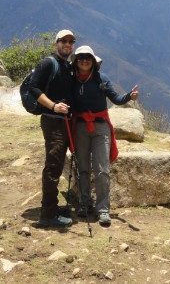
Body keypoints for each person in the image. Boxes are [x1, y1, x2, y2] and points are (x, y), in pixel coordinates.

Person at [69, 45, 139, 227]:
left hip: (100, 128)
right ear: (76, 61)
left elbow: (115, 98)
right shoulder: (71, 80)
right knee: (82, 167)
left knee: (102, 169)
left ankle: (103, 210)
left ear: (93, 61)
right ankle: (85, 204)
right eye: (81, 57)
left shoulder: (102, 79)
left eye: (88, 58)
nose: (84, 60)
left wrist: (129, 97)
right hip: (80, 127)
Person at [28, 29, 76, 228]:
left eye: (70, 42)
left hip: (64, 122)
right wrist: (54, 106)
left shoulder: (67, 65)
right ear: (56, 43)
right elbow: (33, 87)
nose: (67, 44)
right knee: (53, 165)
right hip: (52, 120)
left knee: (56, 163)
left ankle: (53, 208)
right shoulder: (49, 63)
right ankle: (47, 214)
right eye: (64, 41)